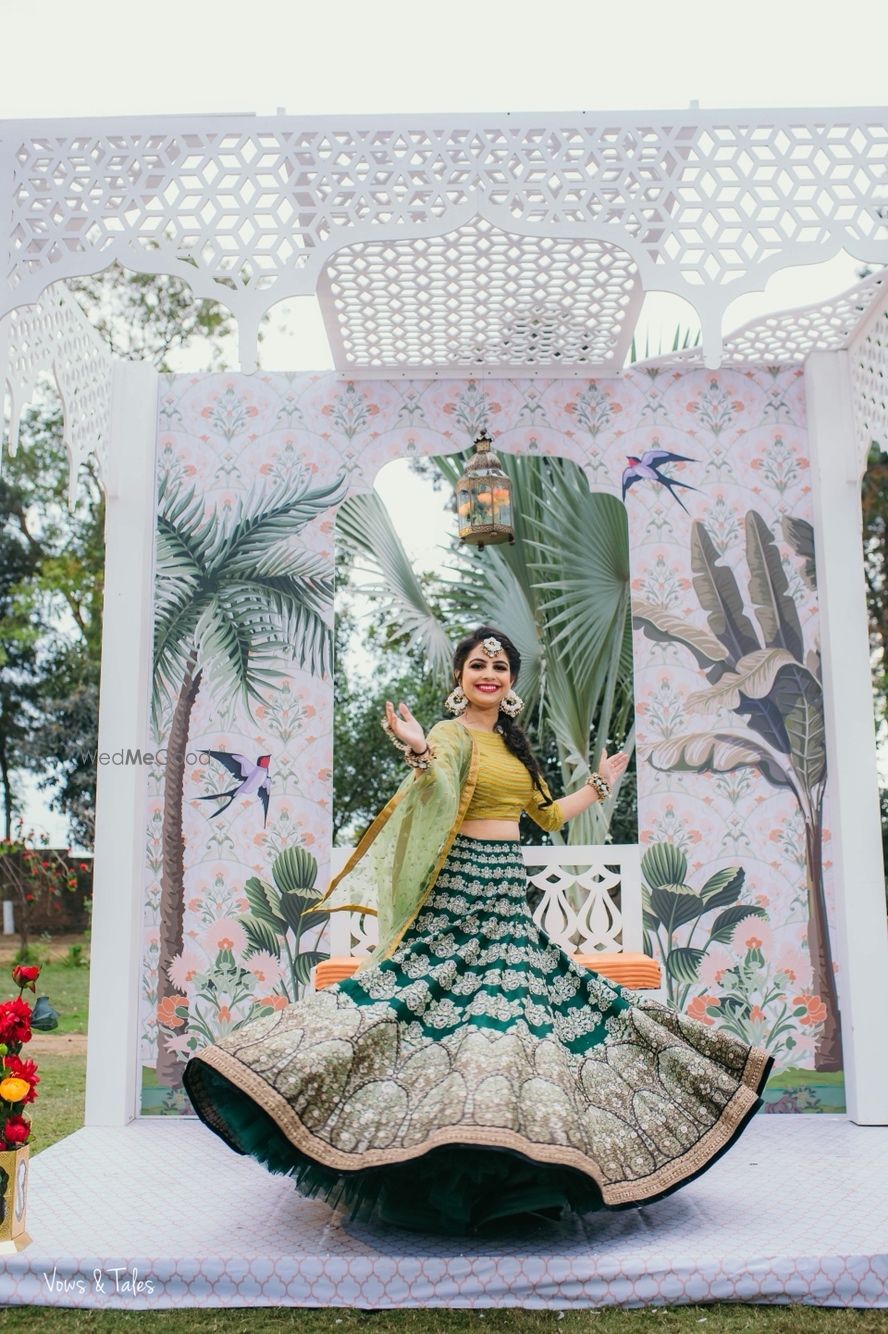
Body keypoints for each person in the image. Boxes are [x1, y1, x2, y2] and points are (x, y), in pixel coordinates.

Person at [183, 626, 773, 1234]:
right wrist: (418, 751)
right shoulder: (448, 734)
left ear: (511, 683)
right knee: (441, 1013)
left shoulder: (517, 748)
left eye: (499, 666)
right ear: (459, 678)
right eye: (477, 664)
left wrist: (598, 784)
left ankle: (520, 1174)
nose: (488, 673)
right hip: (459, 894)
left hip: (507, 897)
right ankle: (431, 1163)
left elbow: (544, 815)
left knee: (520, 1022)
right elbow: (435, 783)